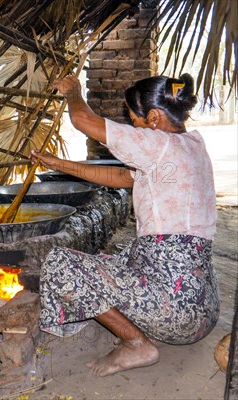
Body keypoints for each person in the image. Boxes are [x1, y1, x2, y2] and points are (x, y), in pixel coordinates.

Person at [29, 73, 219, 377]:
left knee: (60, 264)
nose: (133, 128)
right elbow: (121, 178)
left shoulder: (157, 143)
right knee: (120, 257)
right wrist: (59, 164)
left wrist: (73, 92)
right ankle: (143, 326)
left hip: (175, 314)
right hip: (202, 310)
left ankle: (136, 344)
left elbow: (82, 120)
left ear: (154, 118)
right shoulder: (192, 145)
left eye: (135, 120)